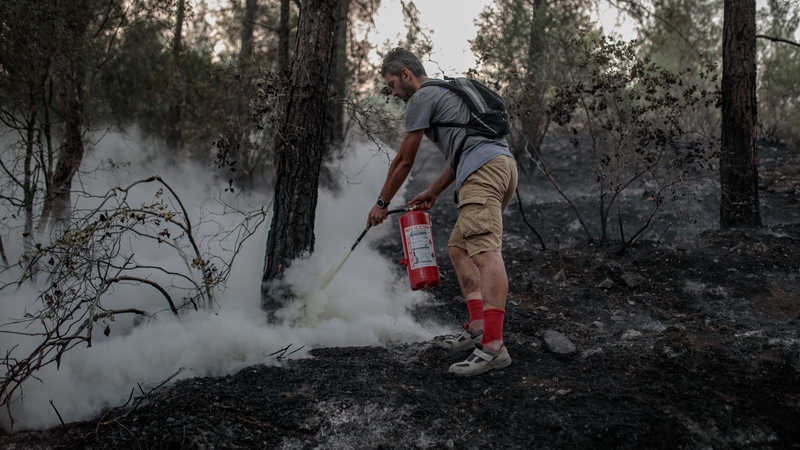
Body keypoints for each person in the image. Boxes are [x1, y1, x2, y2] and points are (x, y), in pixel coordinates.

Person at [366, 48, 518, 376]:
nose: (393, 93)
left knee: (485, 253)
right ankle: (479, 326)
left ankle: (493, 347)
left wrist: (382, 203)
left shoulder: (422, 97)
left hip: (484, 170)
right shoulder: (447, 91)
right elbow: (462, 150)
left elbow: (404, 160)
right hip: (499, 166)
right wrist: (433, 191)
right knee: (459, 247)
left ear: (407, 74)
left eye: (392, 84)